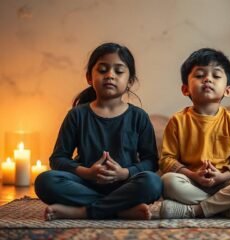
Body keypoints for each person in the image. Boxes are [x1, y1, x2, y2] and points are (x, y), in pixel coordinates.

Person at [34, 42, 162, 220]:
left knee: (153, 182)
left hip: (124, 185)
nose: (110, 75)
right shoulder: (77, 115)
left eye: (118, 71)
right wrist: (87, 172)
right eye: (102, 70)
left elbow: (151, 162)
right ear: (89, 77)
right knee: (45, 181)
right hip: (84, 184)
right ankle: (118, 210)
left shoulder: (139, 116)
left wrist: (124, 173)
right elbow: (58, 159)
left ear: (130, 81)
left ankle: (83, 212)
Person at [159, 48, 230, 220]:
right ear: (185, 89)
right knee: (168, 182)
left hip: (225, 184)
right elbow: (167, 160)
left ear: (227, 90)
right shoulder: (177, 121)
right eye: (200, 75)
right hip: (192, 183)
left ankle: (195, 211)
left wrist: (222, 176)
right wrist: (193, 175)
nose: (208, 79)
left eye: (216, 76)